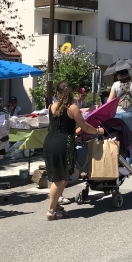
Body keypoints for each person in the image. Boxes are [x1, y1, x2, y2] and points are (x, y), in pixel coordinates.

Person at [44, 81, 104, 220]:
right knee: (59, 179)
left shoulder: (51, 107)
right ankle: (51, 210)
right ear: (70, 93)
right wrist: (97, 131)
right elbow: (85, 126)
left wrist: (74, 131)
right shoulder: (73, 108)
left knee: (61, 176)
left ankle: (56, 206)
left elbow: (61, 126)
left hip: (49, 142)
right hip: (63, 144)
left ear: (57, 94)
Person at [108, 69, 132, 164]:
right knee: (130, 139)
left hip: (118, 114)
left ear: (119, 75)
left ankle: (117, 162)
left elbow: (109, 101)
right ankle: (127, 164)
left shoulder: (115, 85)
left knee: (118, 138)